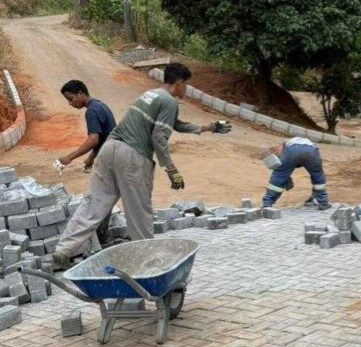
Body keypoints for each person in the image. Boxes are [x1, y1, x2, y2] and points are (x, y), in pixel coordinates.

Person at [52, 63, 232, 268]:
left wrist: (209, 128)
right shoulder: (169, 102)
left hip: (108, 150)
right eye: (186, 85)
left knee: (93, 204)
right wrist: (171, 170)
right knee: (139, 213)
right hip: (132, 156)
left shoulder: (151, 95)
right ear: (180, 82)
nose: (186, 89)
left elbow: (176, 125)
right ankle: (148, 263)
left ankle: (64, 249)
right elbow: (159, 137)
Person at [57, 80, 117, 172]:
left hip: (110, 158)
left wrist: (69, 157)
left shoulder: (91, 111)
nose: (70, 103)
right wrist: (90, 158)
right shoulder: (100, 105)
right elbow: (104, 137)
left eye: (70, 99)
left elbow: (94, 140)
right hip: (115, 153)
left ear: (80, 93)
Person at [261, 137, 330, 209]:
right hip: (311, 152)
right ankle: (323, 203)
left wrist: (285, 177)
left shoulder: (284, 144)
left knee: (279, 176)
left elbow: (282, 165)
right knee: (318, 177)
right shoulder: (309, 143)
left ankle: (267, 204)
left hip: (293, 151)